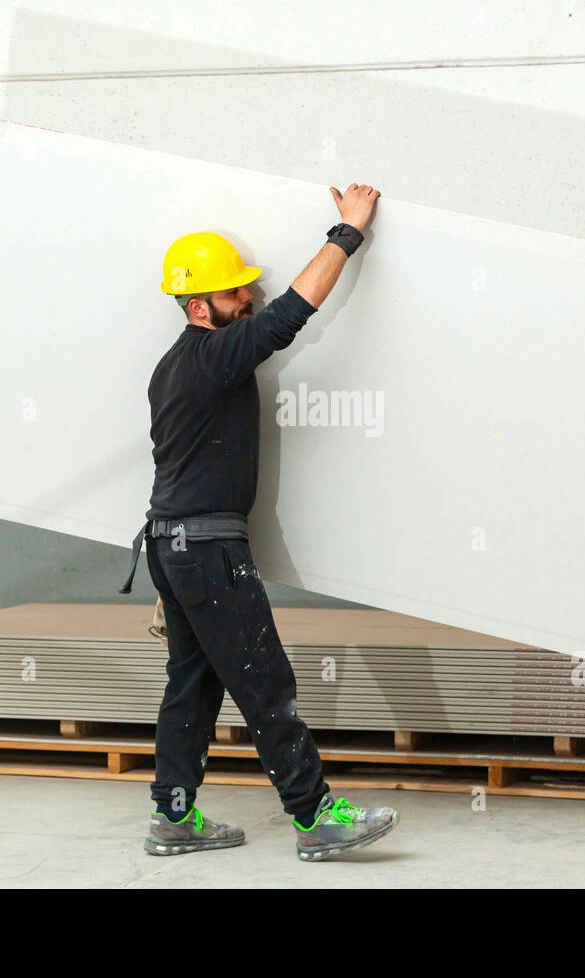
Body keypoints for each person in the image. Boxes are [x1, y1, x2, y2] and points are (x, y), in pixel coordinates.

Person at [119, 183, 398, 861]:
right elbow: (291, 315)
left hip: (173, 544)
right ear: (198, 306)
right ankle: (315, 816)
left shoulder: (170, 369)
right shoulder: (213, 357)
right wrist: (347, 232)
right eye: (235, 292)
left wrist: (172, 572)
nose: (249, 298)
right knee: (263, 678)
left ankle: (174, 817)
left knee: (192, 682)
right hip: (207, 551)